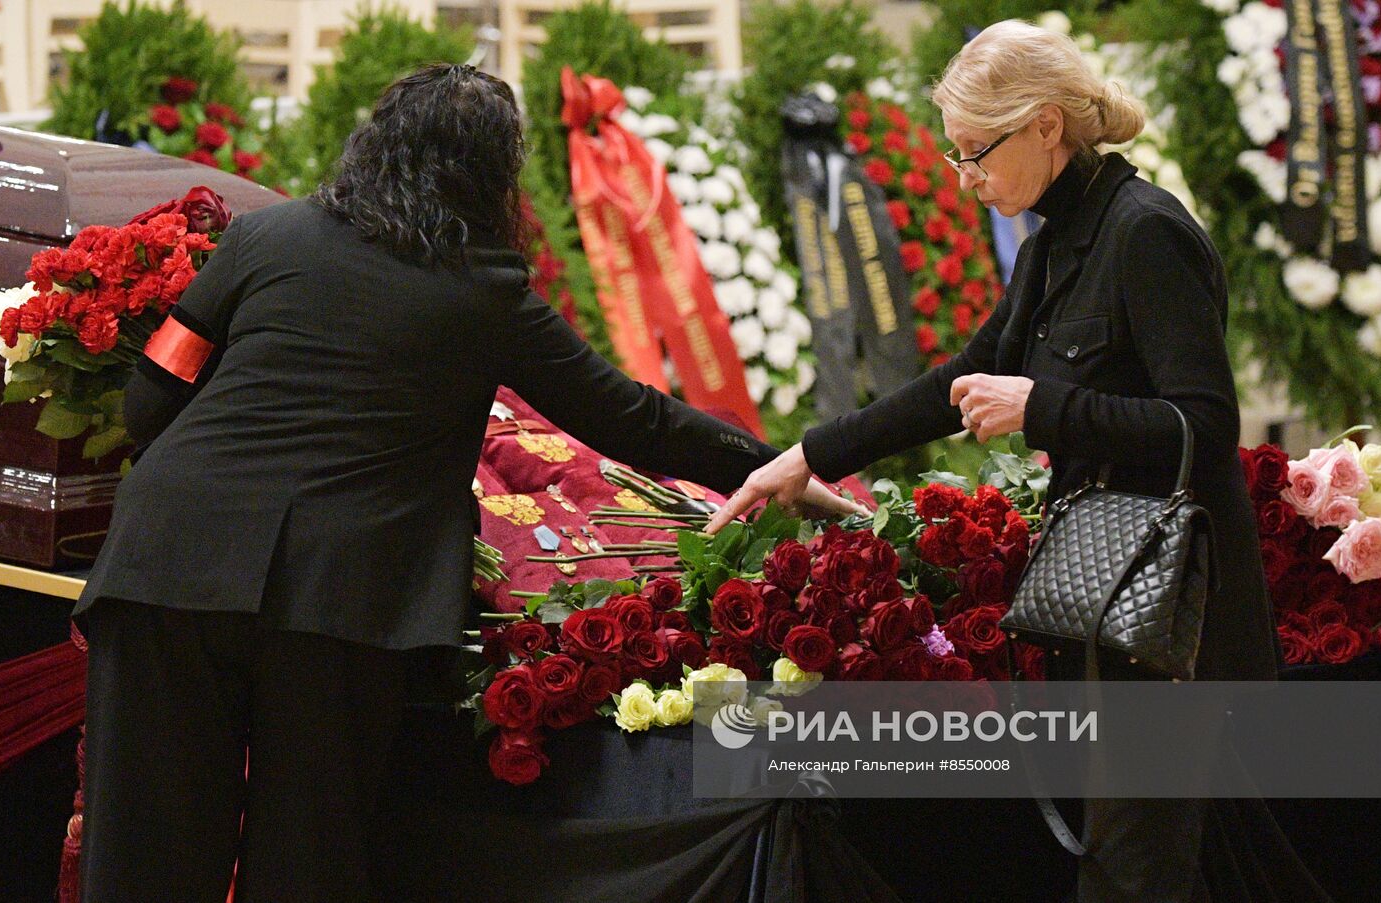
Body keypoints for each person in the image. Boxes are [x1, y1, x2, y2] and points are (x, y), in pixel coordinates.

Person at [71, 63, 859, 902]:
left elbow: (153, 396)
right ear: (492, 173)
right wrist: (784, 465)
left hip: (167, 563)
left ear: (373, 144)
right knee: (308, 857)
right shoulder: (485, 291)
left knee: (142, 858)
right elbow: (637, 419)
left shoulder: (266, 238)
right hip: (339, 599)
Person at [709, 20, 1331, 903]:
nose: (966, 183)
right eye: (957, 158)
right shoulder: (1055, 238)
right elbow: (962, 380)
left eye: (976, 155)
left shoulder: (1146, 231)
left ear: (1046, 125)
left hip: (1173, 621)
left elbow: (1203, 424)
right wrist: (807, 455)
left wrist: (1043, 406)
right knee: (1172, 862)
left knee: (1130, 871)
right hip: (1115, 606)